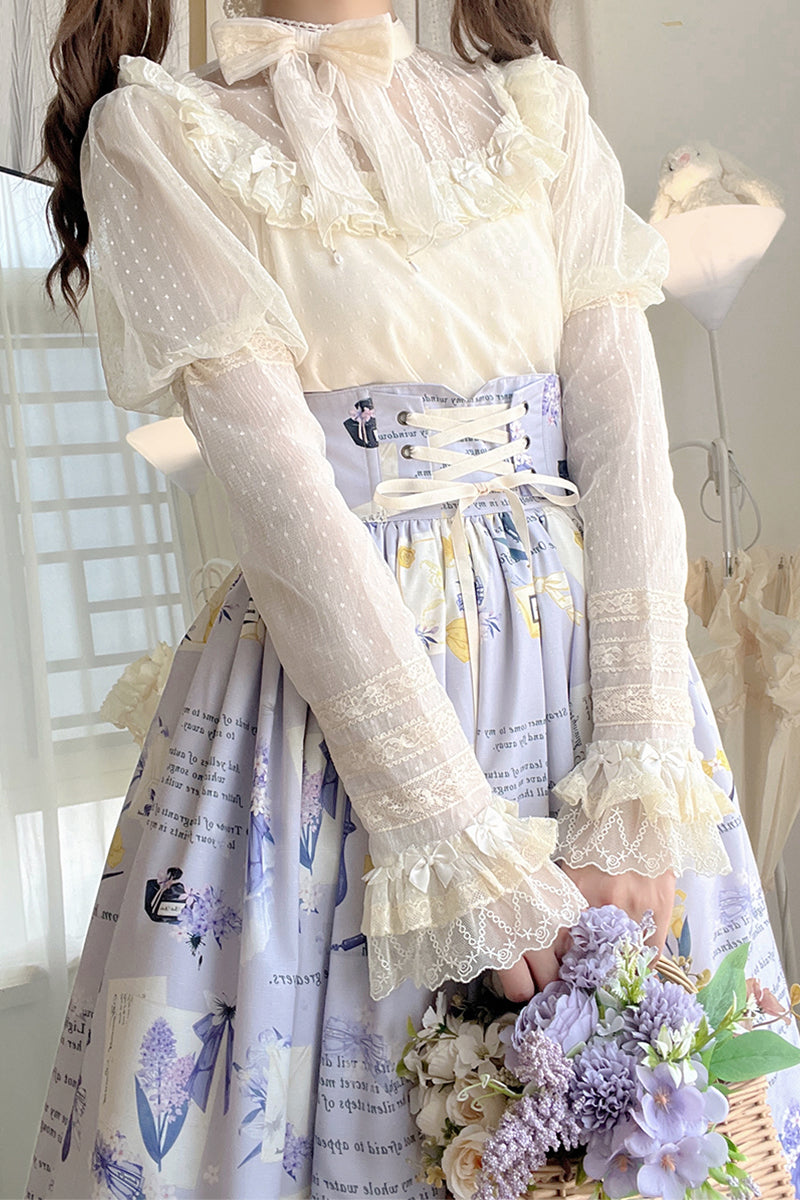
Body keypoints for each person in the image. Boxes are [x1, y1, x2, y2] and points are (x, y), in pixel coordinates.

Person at [25, 0, 800, 1197]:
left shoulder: (537, 111)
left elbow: (625, 449)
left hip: (583, 699)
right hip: (339, 721)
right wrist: (459, 851)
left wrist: (636, 790)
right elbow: (286, 507)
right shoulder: (160, 133)